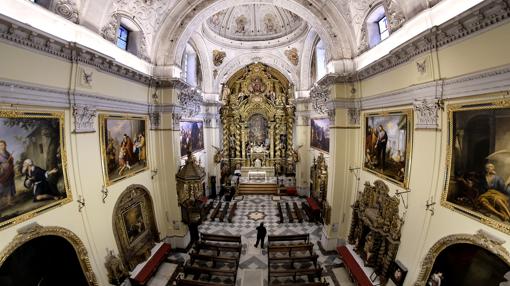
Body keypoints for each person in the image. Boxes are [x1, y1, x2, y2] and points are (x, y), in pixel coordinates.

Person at [0, 140, 16, 207]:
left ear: (5, 145)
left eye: (3, 145)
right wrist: (2, 165)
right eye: (0, 145)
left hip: (9, 171)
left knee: (9, 186)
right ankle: (2, 203)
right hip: (2, 172)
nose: (2, 146)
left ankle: (9, 202)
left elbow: (11, 161)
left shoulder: (7, 153)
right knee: (2, 186)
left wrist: (11, 159)